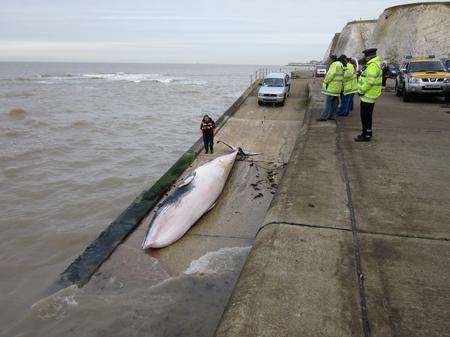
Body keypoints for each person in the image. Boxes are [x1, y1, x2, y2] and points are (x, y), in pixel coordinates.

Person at [355, 48, 383, 142]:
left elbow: (369, 82)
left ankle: (366, 135)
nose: (364, 58)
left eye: (366, 56)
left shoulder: (372, 66)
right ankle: (367, 133)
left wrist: (361, 90)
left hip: (368, 95)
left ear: (369, 57)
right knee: (367, 116)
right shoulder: (374, 64)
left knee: (365, 116)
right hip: (369, 95)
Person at [318, 54, 344, 121]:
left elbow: (331, 75)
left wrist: (325, 81)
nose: (328, 61)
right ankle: (332, 116)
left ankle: (323, 117)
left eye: (329, 59)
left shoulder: (334, 65)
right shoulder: (340, 64)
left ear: (332, 59)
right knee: (334, 103)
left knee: (328, 103)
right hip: (337, 87)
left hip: (332, 87)